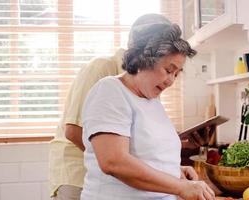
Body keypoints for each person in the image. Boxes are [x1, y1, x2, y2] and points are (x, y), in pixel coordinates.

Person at [80, 14, 216, 200]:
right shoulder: (110, 91)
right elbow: (113, 161)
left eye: (177, 74)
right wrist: (179, 187)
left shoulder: (152, 101)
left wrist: (174, 171)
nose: (171, 81)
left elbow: (148, 155)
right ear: (144, 59)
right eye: (168, 70)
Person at [49, 13, 176, 200]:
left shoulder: (144, 83)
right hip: (76, 176)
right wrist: (117, 160)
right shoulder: (102, 69)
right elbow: (73, 130)